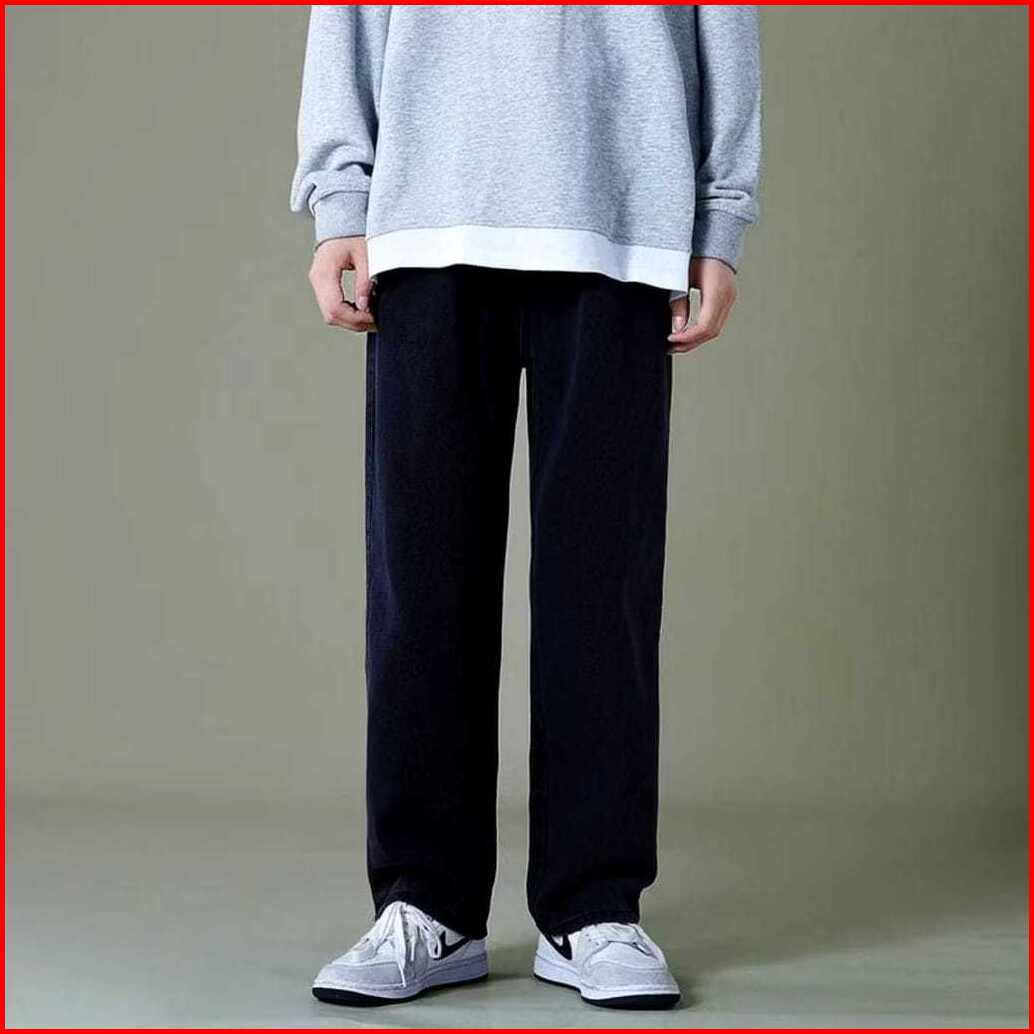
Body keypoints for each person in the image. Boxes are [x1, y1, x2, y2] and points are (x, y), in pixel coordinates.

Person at [290, 4, 760, 1011]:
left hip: (619, 214)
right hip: (428, 211)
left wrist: (719, 216)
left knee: (603, 586)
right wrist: (340, 193)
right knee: (422, 585)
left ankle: (594, 907)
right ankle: (426, 902)